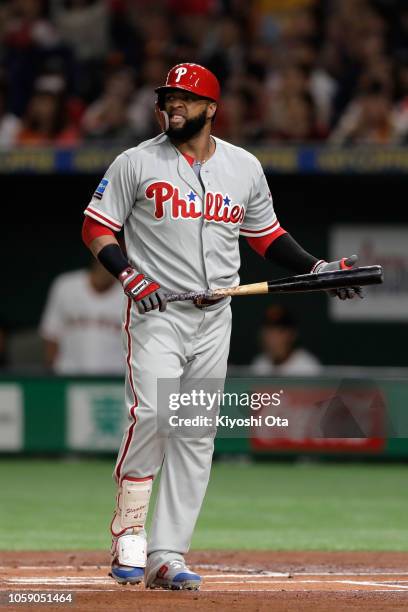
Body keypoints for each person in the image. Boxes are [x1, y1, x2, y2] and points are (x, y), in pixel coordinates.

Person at [81, 63, 362, 590]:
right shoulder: (135, 162)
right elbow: (96, 226)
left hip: (215, 318)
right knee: (153, 415)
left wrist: (316, 269)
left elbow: (267, 236)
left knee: (194, 435)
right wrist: (127, 274)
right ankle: (132, 535)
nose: (173, 105)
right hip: (157, 312)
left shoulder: (244, 166)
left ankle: (167, 555)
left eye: (185, 98)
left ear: (212, 108)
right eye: (168, 97)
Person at [40, 259, 124, 375]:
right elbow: (51, 334)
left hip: (115, 378)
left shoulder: (130, 293)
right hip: (68, 375)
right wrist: (51, 374)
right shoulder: (66, 285)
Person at [250, 304, 321, 376]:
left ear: (292, 335)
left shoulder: (308, 367)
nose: (274, 338)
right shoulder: (259, 364)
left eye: (280, 331)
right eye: (270, 331)